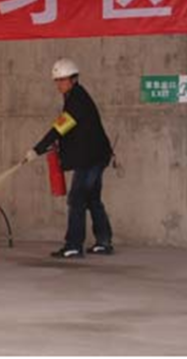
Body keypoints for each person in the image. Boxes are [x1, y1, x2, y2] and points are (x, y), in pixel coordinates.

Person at [23, 58, 114, 259]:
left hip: (91, 158)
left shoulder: (76, 101)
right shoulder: (74, 97)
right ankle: (104, 242)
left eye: (62, 80)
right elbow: (69, 130)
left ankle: (73, 245)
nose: (58, 85)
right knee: (92, 199)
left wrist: (36, 150)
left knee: (77, 199)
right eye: (56, 80)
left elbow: (59, 128)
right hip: (96, 155)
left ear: (73, 79)